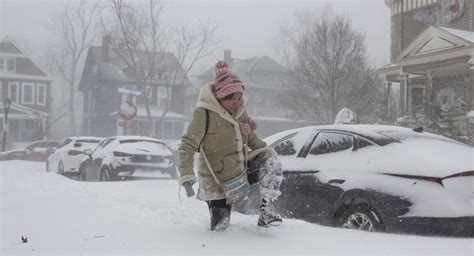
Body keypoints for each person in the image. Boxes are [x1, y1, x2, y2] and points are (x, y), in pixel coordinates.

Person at [178, 60, 284, 231]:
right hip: (216, 180)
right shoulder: (204, 113)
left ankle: (267, 211)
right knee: (221, 227)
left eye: (239, 97)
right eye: (232, 99)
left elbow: (252, 140)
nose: (237, 102)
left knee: (271, 161)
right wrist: (187, 175)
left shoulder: (240, 112)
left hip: (240, 171)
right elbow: (187, 145)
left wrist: (269, 153)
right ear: (220, 97)